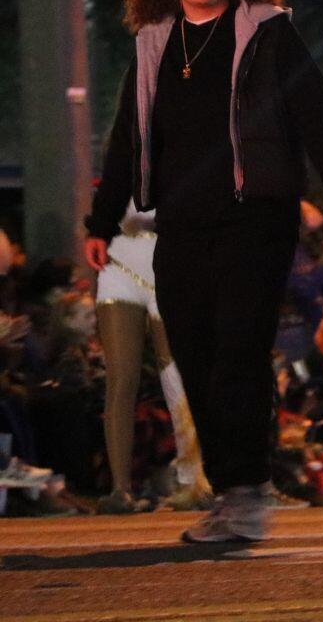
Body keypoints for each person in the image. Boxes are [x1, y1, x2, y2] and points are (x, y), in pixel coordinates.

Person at [83, 0, 323, 543]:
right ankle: (229, 491)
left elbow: (317, 114)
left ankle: (246, 492)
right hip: (181, 225)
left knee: (238, 356)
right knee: (193, 357)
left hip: (257, 217)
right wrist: (102, 221)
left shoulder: (267, 35)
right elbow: (127, 138)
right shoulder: (154, 43)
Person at [95, 201, 210, 514]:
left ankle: (194, 480)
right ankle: (120, 489)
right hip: (119, 268)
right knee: (121, 379)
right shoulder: (120, 163)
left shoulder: (185, 157)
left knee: (175, 372)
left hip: (170, 267)